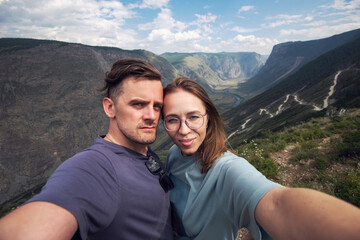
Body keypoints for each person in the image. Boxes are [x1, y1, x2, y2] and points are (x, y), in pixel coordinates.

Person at [162, 77, 360, 240]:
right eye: (172, 119)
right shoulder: (174, 153)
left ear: (208, 118)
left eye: (193, 117)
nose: (184, 130)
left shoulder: (226, 169)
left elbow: (276, 203)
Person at [0, 58, 174, 240]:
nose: (151, 116)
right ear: (109, 108)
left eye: (157, 106)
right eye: (138, 104)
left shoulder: (142, 151)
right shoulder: (94, 167)